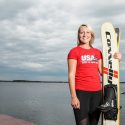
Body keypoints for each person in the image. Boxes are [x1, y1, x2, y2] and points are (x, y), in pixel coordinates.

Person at [67, 24, 121, 125]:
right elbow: (71, 75)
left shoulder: (97, 52)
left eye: (88, 32)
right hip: (81, 93)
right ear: (78, 35)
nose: (85, 34)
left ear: (91, 35)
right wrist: (73, 96)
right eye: (82, 32)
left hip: (97, 93)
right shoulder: (74, 51)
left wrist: (116, 59)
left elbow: (103, 72)